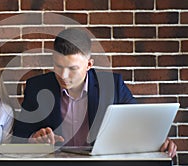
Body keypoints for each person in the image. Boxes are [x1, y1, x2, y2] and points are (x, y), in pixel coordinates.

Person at [12, 28, 177, 157]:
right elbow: (18, 137)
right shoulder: (37, 87)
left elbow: (138, 124)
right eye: (58, 66)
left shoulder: (113, 85)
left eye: (72, 68)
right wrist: (34, 138)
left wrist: (160, 141)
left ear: (89, 65)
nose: (63, 75)